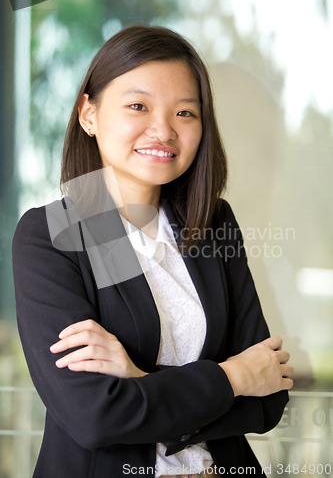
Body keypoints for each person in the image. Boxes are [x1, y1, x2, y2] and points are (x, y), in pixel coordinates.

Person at [12, 25, 293, 478]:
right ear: (89, 113)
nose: (162, 130)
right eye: (138, 106)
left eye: (185, 112)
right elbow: (95, 415)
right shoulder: (58, 231)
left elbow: (270, 397)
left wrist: (140, 381)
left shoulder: (211, 222)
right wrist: (232, 378)